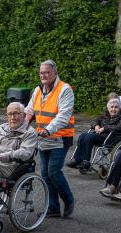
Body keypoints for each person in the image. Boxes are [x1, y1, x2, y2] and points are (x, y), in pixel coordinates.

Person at [25, 59, 75, 218]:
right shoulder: (38, 90)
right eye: (41, 72)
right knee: (45, 173)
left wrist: (48, 129)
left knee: (54, 171)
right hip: (42, 138)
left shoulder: (64, 89)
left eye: (46, 72)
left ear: (55, 72)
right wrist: (22, 125)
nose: (43, 75)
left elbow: (64, 115)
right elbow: (29, 110)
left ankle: (69, 200)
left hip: (60, 138)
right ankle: (53, 207)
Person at [66, 98, 121, 170]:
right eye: (111, 107)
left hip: (113, 137)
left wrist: (105, 128)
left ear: (119, 108)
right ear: (108, 108)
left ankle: (86, 161)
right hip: (102, 136)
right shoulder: (105, 114)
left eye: (116, 107)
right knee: (82, 136)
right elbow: (95, 121)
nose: (113, 109)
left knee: (89, 138)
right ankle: (77, 159)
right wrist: (96, 125)